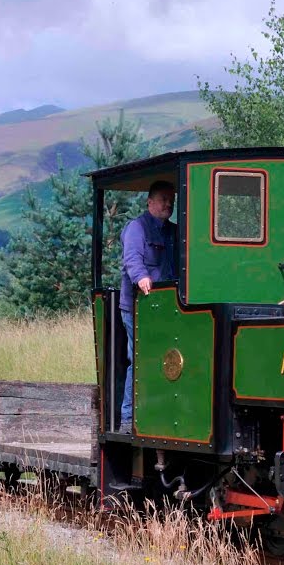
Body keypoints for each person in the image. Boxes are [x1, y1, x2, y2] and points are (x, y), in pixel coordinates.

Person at [119, 180, 176, 433]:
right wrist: (141, 277)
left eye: (171, 199)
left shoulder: (174, 232)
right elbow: (132, 259)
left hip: (166, 307)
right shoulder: (136, 228)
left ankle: (159, 411)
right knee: (140, 358)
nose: (169, 203)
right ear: (149, 202)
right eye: (164, 199)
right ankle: (128, 417)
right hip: (138, 306)